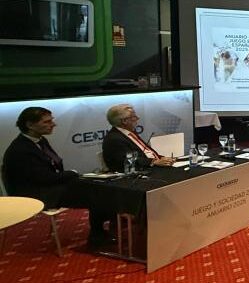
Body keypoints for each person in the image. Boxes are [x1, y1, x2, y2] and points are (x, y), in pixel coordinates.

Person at [2, 107, 114, 247]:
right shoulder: (20, 150)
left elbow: (53, 168)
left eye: (51, 120)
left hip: (49, 185)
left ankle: (108, 226)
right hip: (36, 194)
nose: (53, 124)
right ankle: (97, 236)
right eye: (47, 122)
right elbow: (43, 178)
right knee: (96, 194)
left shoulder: (40, 140)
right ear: (30, 125)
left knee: (96, 186)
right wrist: (71, 174)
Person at [101, 104, 175, 172]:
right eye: (134, 116)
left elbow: (145, 153)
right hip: (138, 173)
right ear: (124, 121)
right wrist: (153, 162)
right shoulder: (114, 139)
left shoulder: (129, 133)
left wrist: (162, 158)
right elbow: (128, 160)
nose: (138, 118)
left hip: (151, 167)